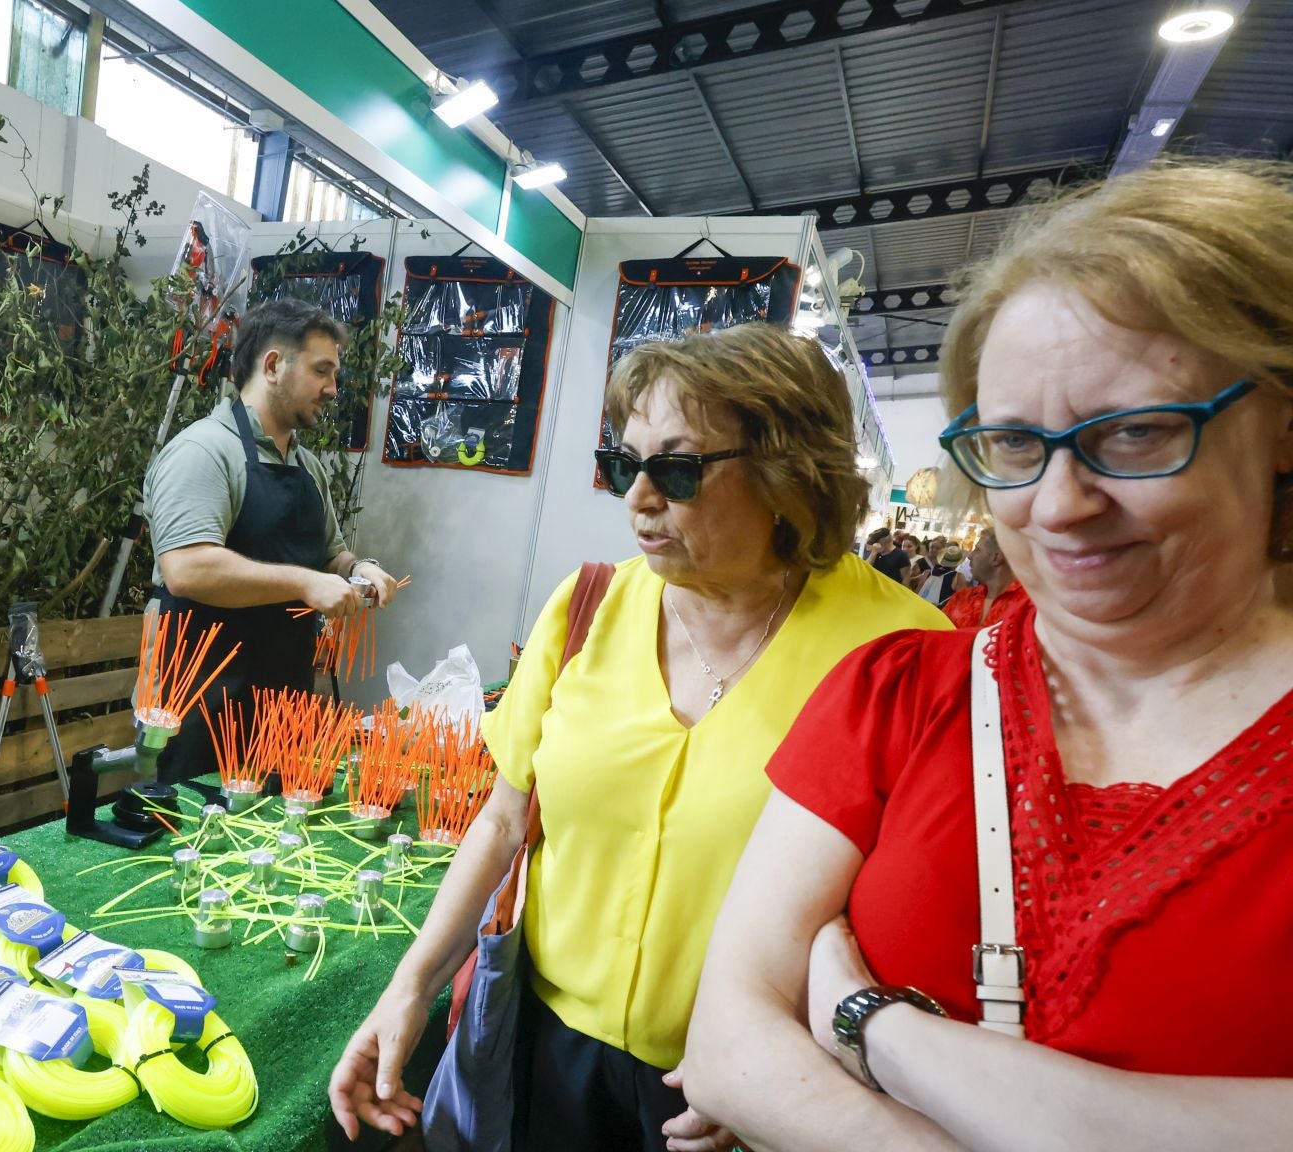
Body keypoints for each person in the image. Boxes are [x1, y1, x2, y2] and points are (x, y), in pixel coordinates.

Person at [684, 161, 1293, 1151]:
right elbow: (724, 1043)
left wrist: (880, 1029)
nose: (1058, 505)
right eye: (1013, 445)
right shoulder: (902, 691)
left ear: (1281, 422)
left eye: (1136, 432)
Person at [329, 324, 950, 1151]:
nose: (638, 499)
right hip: (547, 1050)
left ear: (789, 474)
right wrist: (410, 986)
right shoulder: (587, 607)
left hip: (742, 1089)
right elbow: (504, 821)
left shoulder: (904, 653)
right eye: (626, 465)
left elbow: (901, 920)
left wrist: (788, 1069)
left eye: (678, 470)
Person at [144, 298, 400, 783]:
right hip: (202, 709)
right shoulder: (204, 452)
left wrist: (357, 568)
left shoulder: (307, 466)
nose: (332, 389)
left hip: (284, 713)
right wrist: (303, 583)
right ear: (273, 366)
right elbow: (187, 569)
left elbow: (330, 554)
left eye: (334, 374)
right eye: (321, 371)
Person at [939, 527, 1026, 628]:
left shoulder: (1027, 606)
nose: (970, 556)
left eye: (977, 550)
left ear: (996, 558)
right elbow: (937, 633)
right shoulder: (962, 598)